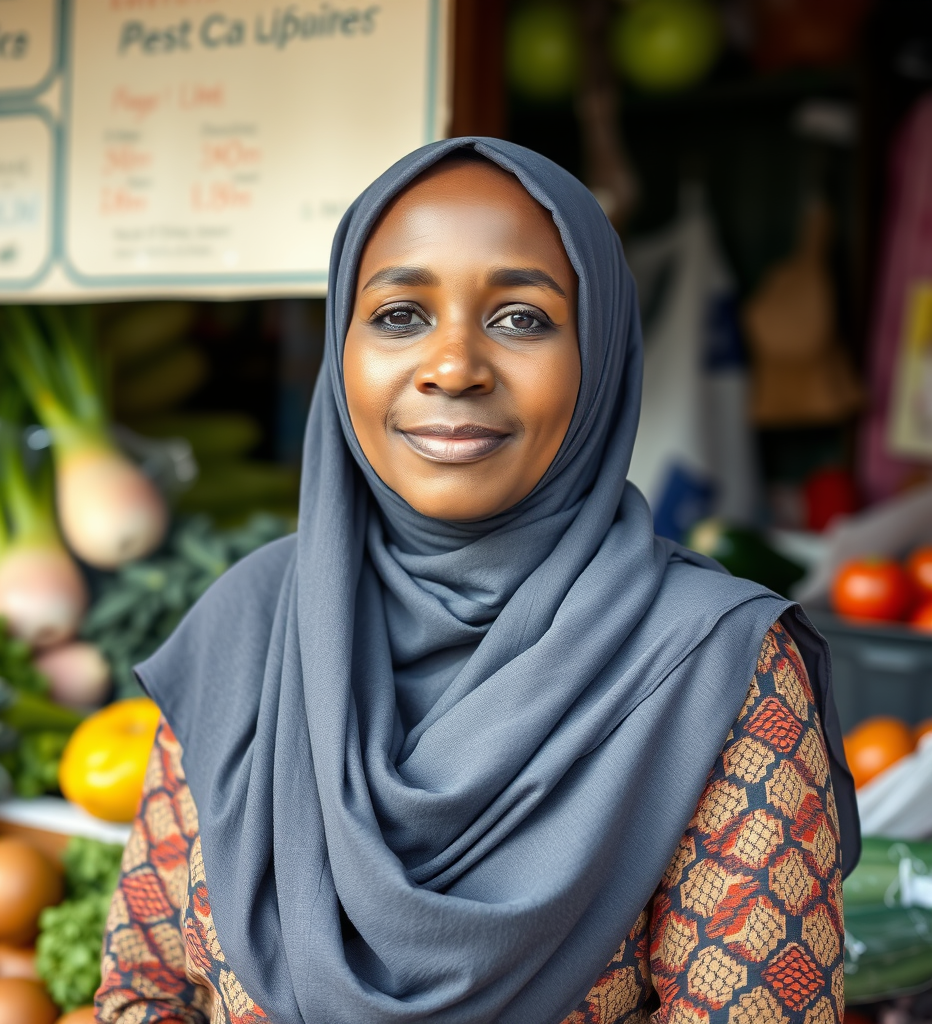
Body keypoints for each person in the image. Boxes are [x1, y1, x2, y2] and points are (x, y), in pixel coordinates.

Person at [95, 139, 858, 1024]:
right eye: (400, 315)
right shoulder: (252, 624)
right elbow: (147, 992)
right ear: (340, 351)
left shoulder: (716, 665)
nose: (453, 366)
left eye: (522, 318)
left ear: (600, 355)